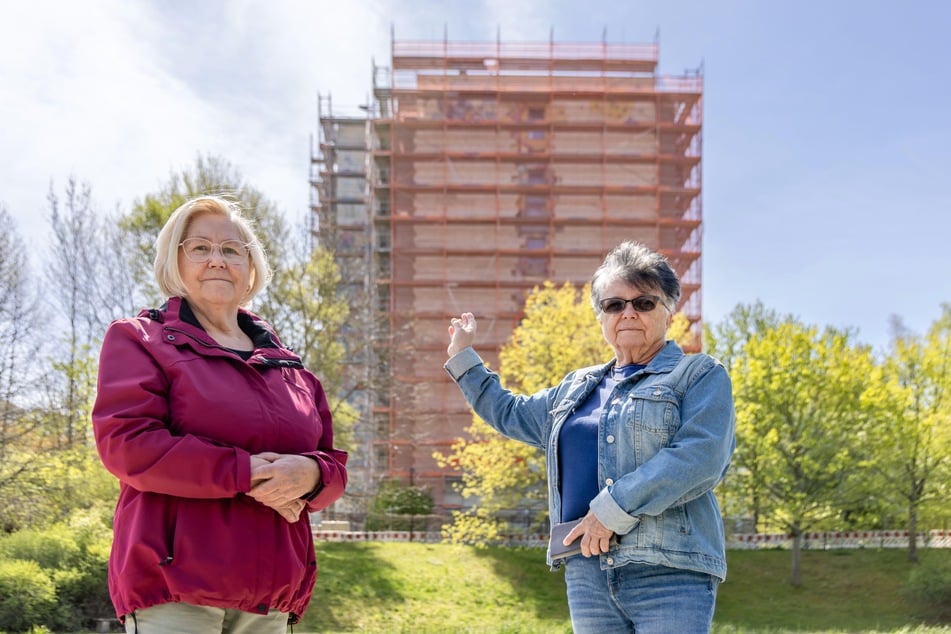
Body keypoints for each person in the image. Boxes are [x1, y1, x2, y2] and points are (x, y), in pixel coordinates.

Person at [444, 241, 735, 633]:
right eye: (614, 304)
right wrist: (464, 357)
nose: (628, 312)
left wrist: (611, 510)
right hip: (586, 572)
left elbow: (701, 457)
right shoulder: (575, 387)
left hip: (668, 569)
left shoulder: (698, 375)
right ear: (601, 317)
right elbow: (510, 413)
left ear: (669, 312)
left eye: (644, 303)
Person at [92, 195, 348, 633]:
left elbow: (333, 466)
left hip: (272, 594)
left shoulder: (292, 369)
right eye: (200, 248)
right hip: (175, 586)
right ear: (176, 261)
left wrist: (308, 476)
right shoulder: (139, 340)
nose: (217, 260)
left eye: (231, 249)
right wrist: (244, 472)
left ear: (250, 267)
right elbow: (127, 445)